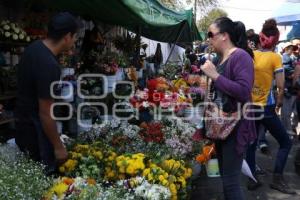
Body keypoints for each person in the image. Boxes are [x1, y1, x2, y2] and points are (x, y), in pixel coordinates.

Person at [15, 12, 80, 174]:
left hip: (22, 124)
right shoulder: (49, 64)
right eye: (75, 37)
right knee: (45, 177)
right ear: (67, 37)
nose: (75, 41)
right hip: (36, 132)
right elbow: (45, 113)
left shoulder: (34, 48)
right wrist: (58, 146)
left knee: (30, 173)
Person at [201, 17, 256, 200]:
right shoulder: (220, 59)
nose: (209, 39)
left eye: (211, 34)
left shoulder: (240, 56)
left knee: (231, 184)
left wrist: (215, 76)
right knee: (226, 180)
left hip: (235, 128)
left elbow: (243, 90)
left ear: (224, 36)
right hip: (221, 128)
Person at [246, 19, 295, 194]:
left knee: (251, 144)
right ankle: (277, 178)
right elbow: (281, 86)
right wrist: (279, 101)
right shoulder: (275, 57)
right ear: (275, 40)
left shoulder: (251, 55)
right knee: (285, 142)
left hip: (250, 106)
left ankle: (251, 178)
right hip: (266, 108)